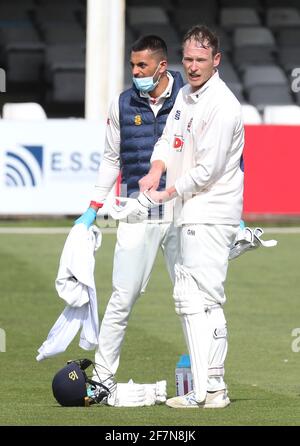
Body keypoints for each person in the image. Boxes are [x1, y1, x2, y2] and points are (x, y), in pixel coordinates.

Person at [136, 25, 245, 408]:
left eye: (201, 59)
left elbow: (209, 169)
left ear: (216, 60)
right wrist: (156, 167)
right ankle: (213, 388)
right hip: (191, 209)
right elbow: (169, 137)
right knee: (206, 300)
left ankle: (203, 392)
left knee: (192, 298)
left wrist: (169, 190)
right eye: (189, 59)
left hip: (210, 209)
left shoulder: (223, 105)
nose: (194, 66)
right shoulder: (184, 94)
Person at [75, 35, 184, 381]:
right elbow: (111, 160)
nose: (135, 72)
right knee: (122, 297)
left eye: (142, 66)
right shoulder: (121, 104)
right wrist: (93, 208)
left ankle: (209, 379)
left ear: (161, 66)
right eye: (133, 65)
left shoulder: (190, 97)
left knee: (192, 297)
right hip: (138, 210)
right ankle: (103, 379)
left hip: (183, 209)